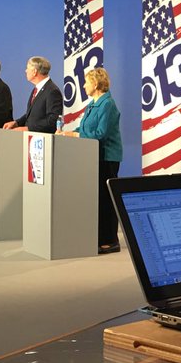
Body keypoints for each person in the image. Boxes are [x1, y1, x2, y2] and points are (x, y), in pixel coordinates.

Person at [57, 67, 122, 254]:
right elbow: (83, 128)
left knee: (106, 199)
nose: (84, 86)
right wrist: (68, 133)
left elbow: (100, 133)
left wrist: (74, 135)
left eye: (86, 82)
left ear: (96, 83)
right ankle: (98, 236)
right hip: (94, 156)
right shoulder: (92, 104)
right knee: (98, 198)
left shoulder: (107, 104)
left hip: (107, 158)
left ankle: (110, 240)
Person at [3, 56, 63, 133]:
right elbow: (31, 115)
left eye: (27, 68)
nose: (25, 71)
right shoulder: (37, 89)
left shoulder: (52, 91)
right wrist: (16, 123)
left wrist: (28, 128)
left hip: (42, 138)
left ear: (34, 72)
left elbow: (53, 120)